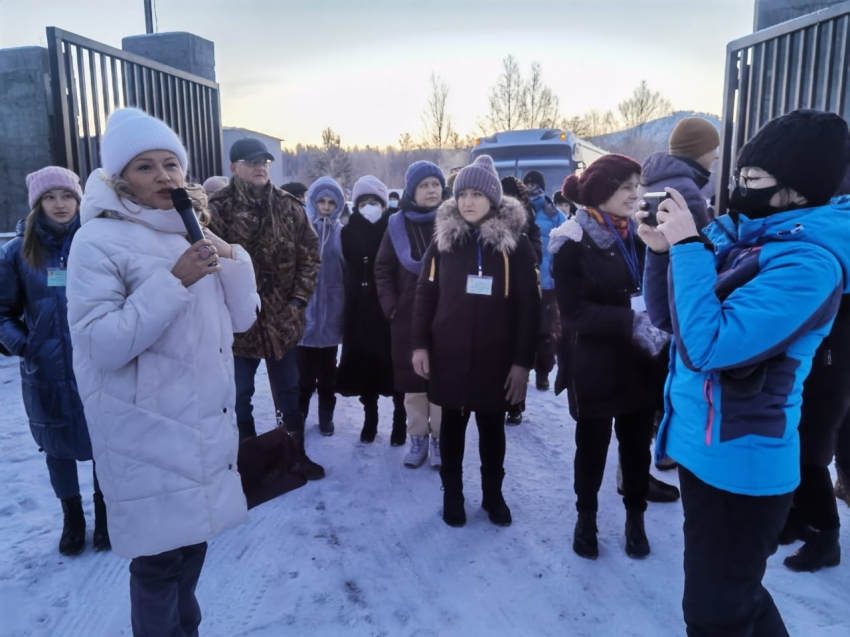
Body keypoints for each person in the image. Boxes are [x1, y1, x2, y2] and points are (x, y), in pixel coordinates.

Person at [641, 109, 850, 637]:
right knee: (730, 601)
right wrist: (665, 254)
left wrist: (690, 246)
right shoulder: (744, 236)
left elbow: (709, 347)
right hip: (701, 450)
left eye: (753, 178)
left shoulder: (808, 264)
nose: (737, 186)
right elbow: (671, 320)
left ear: (796, 191)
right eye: (737, 173)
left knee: (715, 613)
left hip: (743, 465)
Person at [65, 108, 260, 636]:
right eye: (145, 167)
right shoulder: (97, 241)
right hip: (146, 432)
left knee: (191, 551)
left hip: (199, 423)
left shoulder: (189, 229)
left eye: (171, 164)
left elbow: (242, 320)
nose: (164, 177)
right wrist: (176, 280)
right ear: (119, 177)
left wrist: (232, 257)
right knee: (157, 565)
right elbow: (101, 344)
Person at [549, 154, 669, 560]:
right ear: (602, 192)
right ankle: (586, 517)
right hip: (594, 365)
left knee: (637, 448)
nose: (636, 194)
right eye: (627, 187)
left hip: (638, 363)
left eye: (638, 186)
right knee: (592, 448)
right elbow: (574, 312)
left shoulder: (640, 235)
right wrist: (631, 321)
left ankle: (635, 518)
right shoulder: (572, 242)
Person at [412, 155, 540, 527]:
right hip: (447, 354)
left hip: (495, 359)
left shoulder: (514, 246)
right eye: (462, 193)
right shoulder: (443, 242)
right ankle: (452, 494)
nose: (467, 201)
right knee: (450, 427)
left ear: (493, 199)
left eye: (476, 194)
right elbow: (425, 294)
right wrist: (419, 344)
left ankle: (492, 495)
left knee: (492, 429)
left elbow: (529, 308)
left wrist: (522, 362)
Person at [0, 166, 109, 556]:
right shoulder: (16, 252)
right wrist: (25, 345)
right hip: (45, 370)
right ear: (37, 204)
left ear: (79, 200)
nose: (60, 205)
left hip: (98, 362)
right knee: (57, 445)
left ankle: (105, 511)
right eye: (50, 197)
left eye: (67, 197)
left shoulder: (97, 239)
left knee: (104, 440)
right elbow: (3, 311)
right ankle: (73, 518)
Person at [208, 137, 325, 480]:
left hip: (281, 321)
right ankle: (249, 461)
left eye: (264, 161)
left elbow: (310, 257)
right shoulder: (217, 209)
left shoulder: (289, 206)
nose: (260, 166)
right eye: (250, 161)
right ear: (234, 167)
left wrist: (297, 302)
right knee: (238, 393)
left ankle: (295, 454)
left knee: (289, 390)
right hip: (236, 325)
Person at [375, 161, 445, 469]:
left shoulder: (452, 220)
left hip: (446, 314)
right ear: (412, 191)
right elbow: (382, 269)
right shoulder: (396, 224)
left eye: (435, 184)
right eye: (424, 185)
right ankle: (418, 438)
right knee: (414, 383)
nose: (431, 190)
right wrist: (392, 306)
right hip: (406, 316)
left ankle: (441, 439)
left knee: (443, 381)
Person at [337, 175, 407, 445]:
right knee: (366, 366)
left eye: (374, 201)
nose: (369, 206)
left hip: (389, 306)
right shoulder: (348, 230)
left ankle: (400, 420)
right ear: (356, 204)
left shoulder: (394, 227)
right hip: (359, 309)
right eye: (364, 201)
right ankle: (370, 418)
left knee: (395, 365)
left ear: (383, 202)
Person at [298, 177, 346, 436]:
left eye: (331, 202)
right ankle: (300, 415)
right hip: (305, 315)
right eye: (321, 201)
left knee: (328, 375)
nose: (326, 206)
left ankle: (326, 416)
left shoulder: (341, 232)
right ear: (313, 202)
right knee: (304, 376)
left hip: (331, 314)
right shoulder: (303, 231)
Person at [499, 175, 543, 426]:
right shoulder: (489, 220)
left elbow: (536, 254)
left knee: (520, 348)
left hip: (522, 291)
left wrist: (519, 243)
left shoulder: (530, 224)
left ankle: (516, 404)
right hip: (498, 293)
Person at [523, 170, 567, 393]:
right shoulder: (518, 211)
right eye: (527, 184)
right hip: (523, 282)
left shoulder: (555, 215)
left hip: (548, 283)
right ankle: (522, 369)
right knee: (522, 329)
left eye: (535, 184)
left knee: (547, 332)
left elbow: (567, 243)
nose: (531, 187)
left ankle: (543, 372)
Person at [640, 117, 719, 233]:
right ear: (699, 151)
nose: (717, 155)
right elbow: (692, 240)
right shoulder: (685, 189)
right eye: (713, 149)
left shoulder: (648, 180)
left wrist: (708, 213)